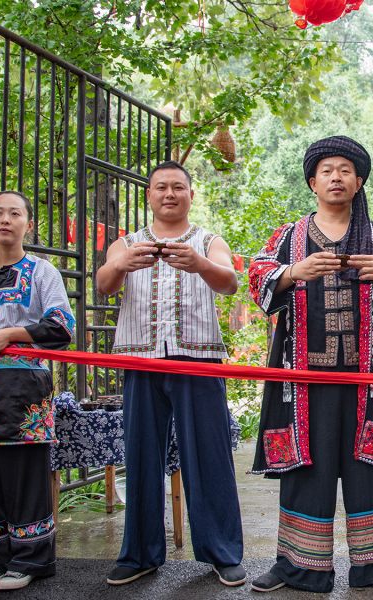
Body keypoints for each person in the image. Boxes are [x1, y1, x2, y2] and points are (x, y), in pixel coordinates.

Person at [247, 136, 373, 594]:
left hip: (368, 376)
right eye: (327, 170)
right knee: (306, 468)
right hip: (303, 379)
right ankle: (297, 565)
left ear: (359, 181)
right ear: (313, 182)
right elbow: (256, 276)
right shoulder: (290, 237)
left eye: (346, 170)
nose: (336, 177)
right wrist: (294, 272)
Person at [96, 160, 245, 587]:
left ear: (190, 195)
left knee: (209, 454)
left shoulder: (208, 241)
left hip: (196, 358)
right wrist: (123, 263)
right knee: (141, 454)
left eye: (178, 187)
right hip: (139, 357)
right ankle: (139, 553)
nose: (169, 194)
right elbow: (104, 285)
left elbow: (230, 282)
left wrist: (197, 263)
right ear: (149, 194)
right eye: (160, 187)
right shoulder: (126, 243)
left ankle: (222, 552)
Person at [0, 191, 75, 591]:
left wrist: (9, 333)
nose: (6, 219)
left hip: (25, 387)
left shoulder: (43, 272)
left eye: (15, 213)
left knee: (24, 472)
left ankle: (29, 559)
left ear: (28, 223)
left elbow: (61, 325)